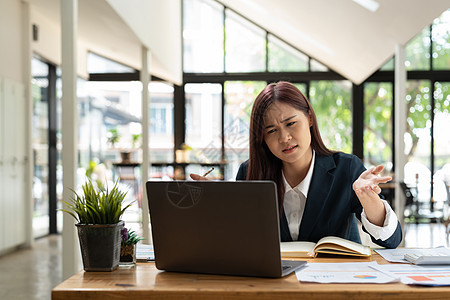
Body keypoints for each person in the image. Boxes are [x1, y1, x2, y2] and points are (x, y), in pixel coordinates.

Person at [191, 81, 402, 248]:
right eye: (271, 130)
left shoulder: (345, 169)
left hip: (335, 286)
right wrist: (216, 207)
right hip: (275, 287)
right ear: (262, 138)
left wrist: (369, 199)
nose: (284, 138)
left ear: (309, 118)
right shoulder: (250, 172)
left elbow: (391, 241)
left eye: (291, 123)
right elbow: (240, 241)